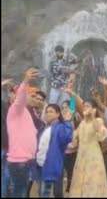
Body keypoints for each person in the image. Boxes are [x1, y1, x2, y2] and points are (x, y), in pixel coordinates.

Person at [6, 68, 39, 198]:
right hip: (19, 162)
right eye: (33, 96)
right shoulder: (16, 109)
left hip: (26, 161)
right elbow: (20, 98)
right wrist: (25, 81)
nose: (36, 98)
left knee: (21, 193)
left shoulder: (27, 112)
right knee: (19, 193)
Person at [69, 99, 107, 197]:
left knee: (93, 182)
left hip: (94, 158)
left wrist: (93, 116)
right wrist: (72, 98)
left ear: (94, 109)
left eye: (87, 106)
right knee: (80, 183)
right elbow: (74, 139)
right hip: (81, 158)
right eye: (84, 106)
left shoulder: (98, 121)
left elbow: (101, 136)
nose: (84, 108)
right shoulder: (82, 123)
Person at [37, 104, 73, 197]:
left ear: (58, 114)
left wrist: (72, 95)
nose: (48, 114)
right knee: (43, 192)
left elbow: (66, 137)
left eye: (51, 111)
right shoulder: (46, 127)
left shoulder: (60, 127)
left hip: (51, 166)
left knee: (47, 193)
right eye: (47, 112)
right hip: (42, 165)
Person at [61, 100, 80, 193]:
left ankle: (69, 186)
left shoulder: (74, 118)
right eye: (63, 107)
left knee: (70, 170)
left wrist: (71, 93)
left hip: (73, 149)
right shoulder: (60, 119)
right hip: (62, 149)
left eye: (66, 107)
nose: (64, 109)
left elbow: (72, 105)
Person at [1, 79, 14, 197]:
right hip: (4, 146)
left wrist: (71, 97)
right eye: (11, 92)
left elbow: (71, 112)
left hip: (16, 151)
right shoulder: (5, 107)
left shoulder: (28, 112)